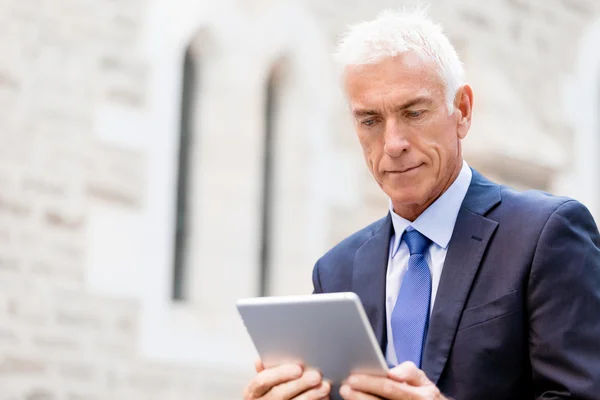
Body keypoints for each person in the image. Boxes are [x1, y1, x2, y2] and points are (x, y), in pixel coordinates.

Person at [243, 7, 600, 400]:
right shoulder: (335, 271)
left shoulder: (546, 234)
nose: (393, 143)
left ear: (461, 111)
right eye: (370, 120)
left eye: (413, 112)